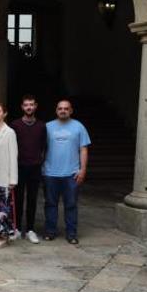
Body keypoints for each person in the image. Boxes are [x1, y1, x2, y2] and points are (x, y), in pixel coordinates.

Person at [43, 99, 90, 244]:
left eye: (66, 108)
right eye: (60, 108)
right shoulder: (47, 127)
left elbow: (83, 149)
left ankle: (71, 234)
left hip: (71, 174)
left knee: (71, 205)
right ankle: (50, 232)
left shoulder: (79, 127)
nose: (63, 110)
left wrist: (82, 170)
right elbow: (40, 149)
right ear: (56, 110)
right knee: (50, 204)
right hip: (50, 173)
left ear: (71, 110)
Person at [10, 94, 45, 244]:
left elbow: (44, 146)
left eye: (31, 104)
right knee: (17, 199)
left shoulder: (42, 126)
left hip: (35, 167)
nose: (29, 107)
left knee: (32, 199)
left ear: (35, 106)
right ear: (22, 107)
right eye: (26, 105)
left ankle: (30, 229)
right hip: (19, 167)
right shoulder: (15, 125)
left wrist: (40, 160)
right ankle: (16, 229)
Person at [0, 103, 19, 249]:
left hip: (4, 176)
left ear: (4, 114)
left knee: (3, 208)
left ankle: (4, 236)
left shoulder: (9, 132)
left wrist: (13, 179)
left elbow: (14, 156)